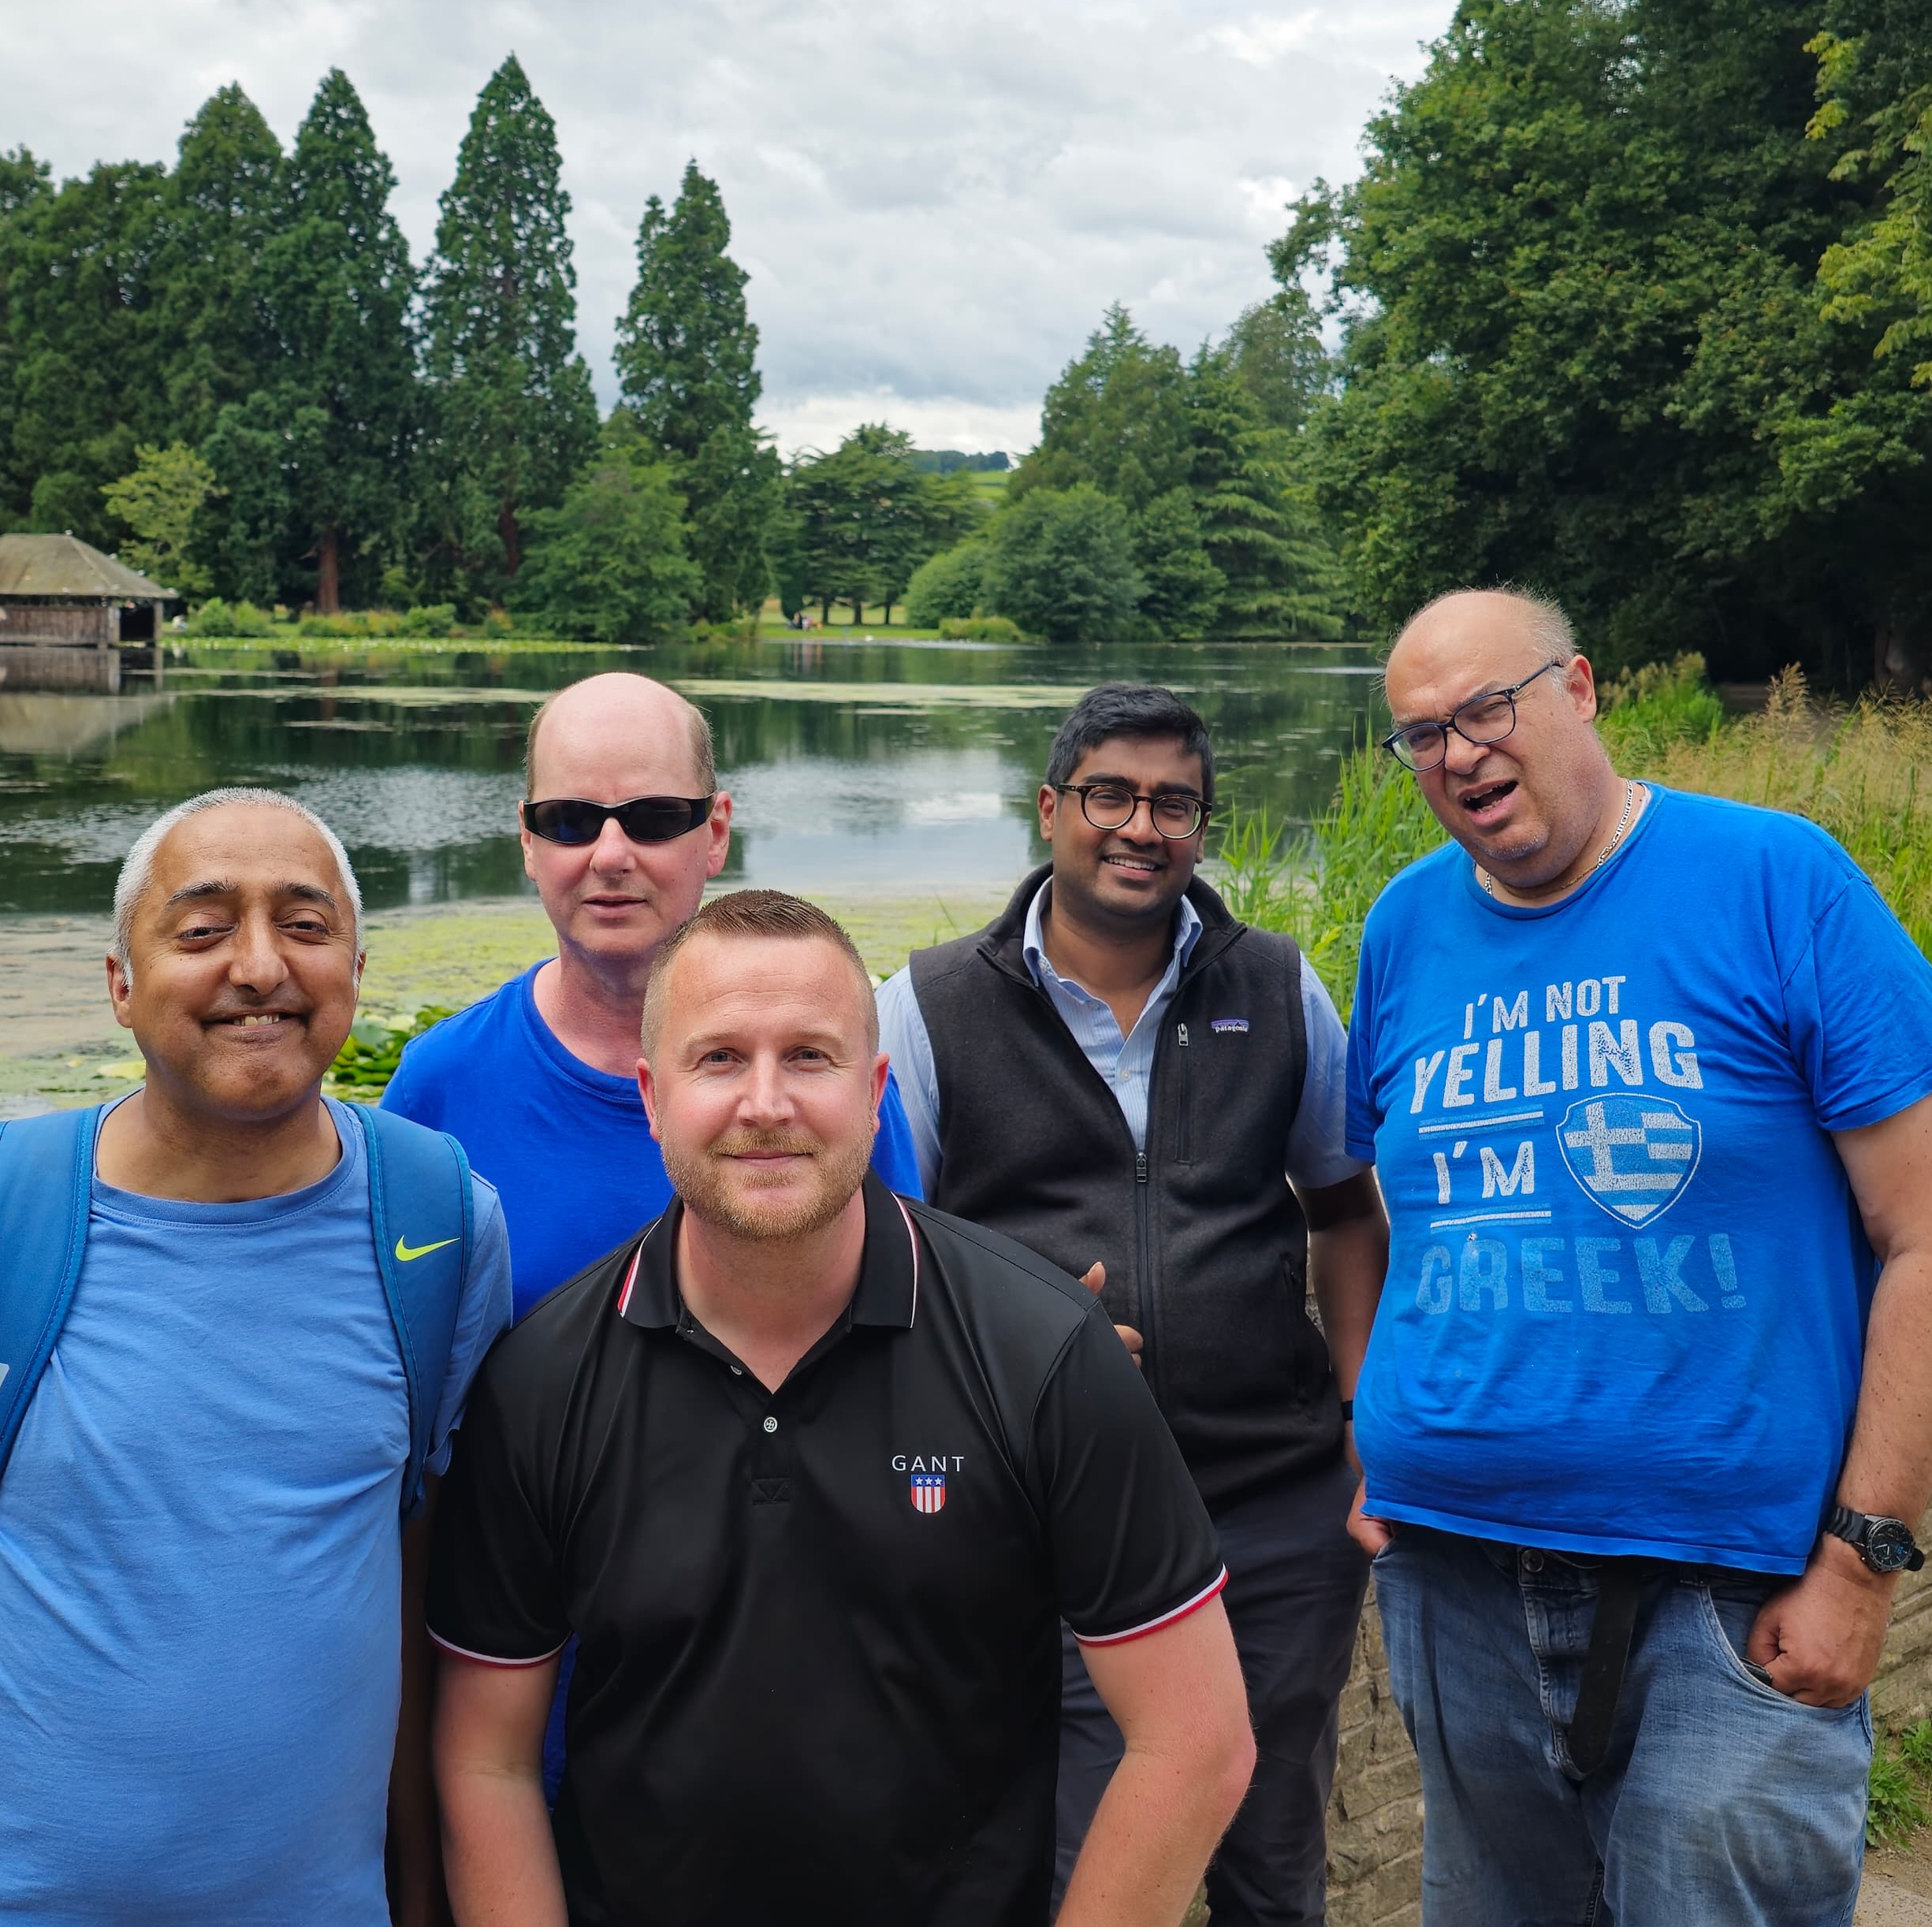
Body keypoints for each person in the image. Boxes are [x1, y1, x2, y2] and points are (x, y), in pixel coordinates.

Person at [1344, 590, 1932, 1927]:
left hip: (1728, 1593)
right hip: (1452, 1577)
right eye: (1421, 735)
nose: (1460, 755)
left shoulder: (1777, 881)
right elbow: (1377, 1209)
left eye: (1488, 708)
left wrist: (1863, 1560)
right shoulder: (1405, 926)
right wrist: (1373, 1428)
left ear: (1578, 689)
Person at [429, 890, 1255, 1927]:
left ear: (875, 1091)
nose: (765, 1102)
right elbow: (485, 1759)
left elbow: (1198, 1737)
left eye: (809, 1058)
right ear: (651, 1093)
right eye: (719, 1058)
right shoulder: (544, 1381)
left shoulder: (1039, 1349)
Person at [0, 788, 516, 1926]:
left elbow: (410, 1586)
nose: (260, 966)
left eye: (305, 924)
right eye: (202, 930)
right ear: (121, 984)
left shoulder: (437, 1226)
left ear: (357, 966)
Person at [869, 683, 1385, 1927]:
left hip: (1274, 1511)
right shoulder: (929, 1005)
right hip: (1051, 1524)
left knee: (1273, 1866)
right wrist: (1022, 1332)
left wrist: (1372, 1429)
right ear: (1052, 809)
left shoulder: (1276, 983)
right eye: (1110, 794)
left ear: (1204, 826)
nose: (1139, 826)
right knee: (1091, 1869)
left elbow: (1344, 1211)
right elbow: (885, 1254)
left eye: (1174, 802)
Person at [384, 671, 914, 1315]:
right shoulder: (439, 1085)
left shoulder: (823, 1086)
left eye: (653, 819)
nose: (610, 855)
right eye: (570, 820)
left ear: (716, 832)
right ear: (527, 840)